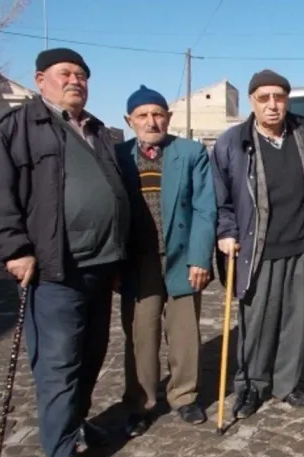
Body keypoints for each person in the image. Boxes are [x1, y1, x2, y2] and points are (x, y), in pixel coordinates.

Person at [0, 48, 131, 457]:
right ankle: (60, 456)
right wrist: (14, 250)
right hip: (55, 272)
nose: (76, 81)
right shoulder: (14, 129)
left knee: (92, 356)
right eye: (66, 74)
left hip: (100, 267)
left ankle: (77, 424)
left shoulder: (97, 131)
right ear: (41, 79)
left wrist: (117, 257)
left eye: (82, 75)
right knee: (59, 365)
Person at [211, 69, 304, 419]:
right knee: (257, 320)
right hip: (256, 246)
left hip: (302, 243)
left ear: (287, 99)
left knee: (298, 319)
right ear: (252, 102)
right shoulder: (232, 142)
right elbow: (221, 197)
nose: (273, 105)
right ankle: (250, 385)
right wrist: (226, 230)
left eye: (279, 97)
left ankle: (286, 384)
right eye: (264, 98)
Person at [116, 85, 217, 436]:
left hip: (182, 257)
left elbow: (206, 208)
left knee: (185, 332)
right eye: (142, 115)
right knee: (141, 335)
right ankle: (139, 403)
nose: (151, 121)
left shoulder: (190, 153)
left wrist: (199, 258)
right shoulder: (117, 156)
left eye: (158, 114)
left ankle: (184, 395)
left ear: (168, 118)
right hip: (138, 262)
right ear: (130, 121)